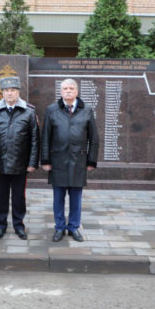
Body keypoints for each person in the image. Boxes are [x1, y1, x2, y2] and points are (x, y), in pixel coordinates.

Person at [41, 78, 99, 242]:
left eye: (71, 88)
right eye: (65, 88)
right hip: (57, 161)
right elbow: (45, 137)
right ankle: (59, 227)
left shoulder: (87, 110)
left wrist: (91, 160)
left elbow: (94, 138)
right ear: (61, 92)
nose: (68, 91)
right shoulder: (52, 110)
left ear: (76, 91)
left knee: (76, 199)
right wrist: (45, 160)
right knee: (58, 198)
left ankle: (73, 227)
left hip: (78, 161)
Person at [0, 76, 39, 240]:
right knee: (1, 197)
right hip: (0, 163)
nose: (9, 93)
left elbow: (35, 140)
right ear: (2, 93)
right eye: (6, 90)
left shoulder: (29, 111)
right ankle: (1, 225)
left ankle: (19, 225)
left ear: (18, 92)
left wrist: (32, 163)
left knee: (19, 198)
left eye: (13, 90)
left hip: (21, 164)